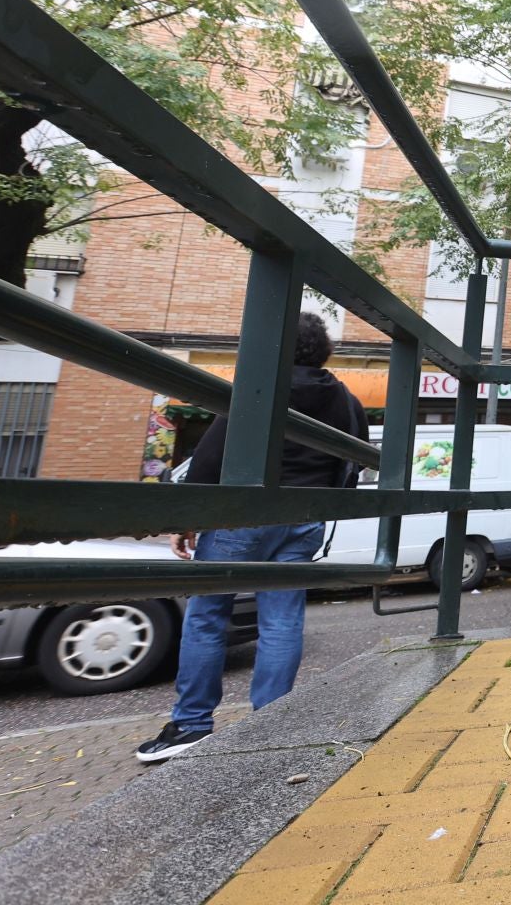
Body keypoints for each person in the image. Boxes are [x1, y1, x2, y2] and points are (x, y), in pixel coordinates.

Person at [136, 313, 369, 762]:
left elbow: (211, 457)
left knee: (207, 615)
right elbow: (354, 459)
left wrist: (187, 518)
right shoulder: (346, 399)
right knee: (281, 621)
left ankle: (191, 724)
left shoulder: (258, 389)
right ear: (325, 352)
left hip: (241, 517)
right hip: (303, 519)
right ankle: (271, 722)